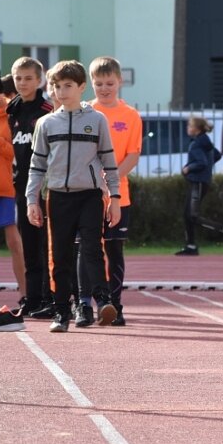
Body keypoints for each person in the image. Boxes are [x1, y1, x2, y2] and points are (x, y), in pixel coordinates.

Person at [26, 60, 121, 333]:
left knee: (92, 248)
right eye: (56, 86)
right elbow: (37, 166)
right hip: (57, 197)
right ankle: (61, 312)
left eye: (68, 85)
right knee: (60, 257)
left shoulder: (97, 120)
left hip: (90, 195)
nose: (62, 90)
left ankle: (102, 301)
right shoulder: (45, 124)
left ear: (81, 87)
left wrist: (114, 198)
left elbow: (109, 161)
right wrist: (31, 200)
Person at [75, 56, 143, 325]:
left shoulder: (131, 116)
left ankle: (115, 305)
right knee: (86, 249)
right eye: (99, 83)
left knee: (115, 251)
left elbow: (132, 155)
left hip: (118, 196)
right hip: (87, 194)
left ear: (120, 82)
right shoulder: (83, 111)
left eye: (109, 83)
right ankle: (86, 304)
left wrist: (110, 181)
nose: (104, 88)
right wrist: (95, 180)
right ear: (91, 83)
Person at [7, 57, 54, 318]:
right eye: (18, 78)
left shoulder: (46, 110)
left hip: (44, 189)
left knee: (45, 243)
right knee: (29, 247)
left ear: (40, 80)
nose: (22, 83)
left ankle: (51, 298)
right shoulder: (12, 110)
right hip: (21, 189)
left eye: (28, 78)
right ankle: (32, 299)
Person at [0, 63, 26, 307]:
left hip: (8, 189)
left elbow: (17, 154)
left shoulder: (13, 117)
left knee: (14, 242)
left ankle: (25, 293)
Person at [176, 116, 223, 255]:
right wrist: (207, 168)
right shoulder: (205, 142)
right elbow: (217, 155)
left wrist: (188, 168)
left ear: (197, 129)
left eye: (190, 126)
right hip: (202, 181)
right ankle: (190, 246)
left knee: (192, 215)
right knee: (188, 214)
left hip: (198, 182)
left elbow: (202, 162)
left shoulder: (196, 144)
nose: (187, 128)